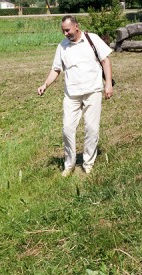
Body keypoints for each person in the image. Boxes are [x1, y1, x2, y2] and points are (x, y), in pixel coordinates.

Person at [37, 15, 113, 177]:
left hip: (93, 91)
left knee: (91, 128)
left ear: (76, 26)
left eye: (67, 30)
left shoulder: (92, 39)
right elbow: (56, 69)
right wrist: (45, 84)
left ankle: (88, 163)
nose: (65, 33)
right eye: (63, 31)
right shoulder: (62, 46)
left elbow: (105, 61)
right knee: (67, 129)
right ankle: (69, 163)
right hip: (72, 94)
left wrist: (108, 84)